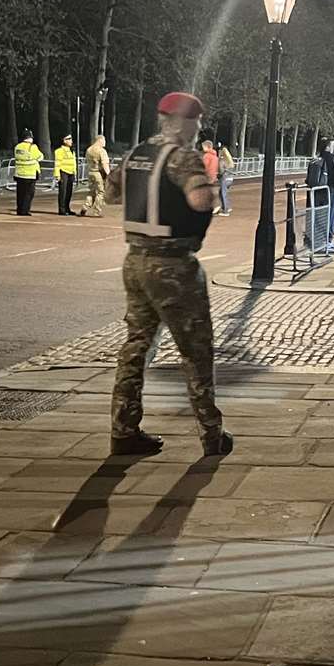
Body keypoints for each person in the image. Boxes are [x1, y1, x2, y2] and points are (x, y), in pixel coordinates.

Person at [104, 92, 233, 457]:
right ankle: (212, 434)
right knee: (196, 350)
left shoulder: (136, 154)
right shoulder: (183, 156)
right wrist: (209, 190)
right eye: (196, 121)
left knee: (137, 345)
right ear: (179, 122)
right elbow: (200, 201)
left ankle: (123, 428)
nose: (198, 128)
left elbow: (113, 193)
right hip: (173, 265)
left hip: (136, 259)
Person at [13, 130, 43, 216]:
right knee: (29, 193)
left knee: (20, 193)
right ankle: (25, 210)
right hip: (30, 174)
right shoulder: (32, 147)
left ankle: (19, 209)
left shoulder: (17, 147)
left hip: (19, 173)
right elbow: (40, 156)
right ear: (29, 138)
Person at [82, 134, 110, 218]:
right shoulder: (101, 151)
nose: (105, 143)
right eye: (104, 140)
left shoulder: (89, 150)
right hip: (98, 173)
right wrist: (109, 174)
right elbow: (105, 164)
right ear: (100, 140)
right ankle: (97, 211)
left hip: (90, 172)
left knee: (91, 191)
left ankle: (85, 206)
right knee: (101, 192)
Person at [55, 134, 79, 216]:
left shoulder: (71, 150)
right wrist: (57, 175)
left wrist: (75, 172)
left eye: (71, 139)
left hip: (70, 173)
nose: (71, 141)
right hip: (63, 172)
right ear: (64, 140)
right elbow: (57, 164)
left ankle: (67, 208)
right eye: (69, 139)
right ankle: (62, 209)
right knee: (63, 192)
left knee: (69, 192)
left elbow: (74, 163)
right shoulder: (59, 151)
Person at [217, 142, 235, 216]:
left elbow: (221, 171)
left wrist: (217, 176)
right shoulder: (230, 161)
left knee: (222, 193)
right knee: (223, 193)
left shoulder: (221, 160)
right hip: (230, 179)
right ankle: (227, 206)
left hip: (224, 178)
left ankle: (225, 211)